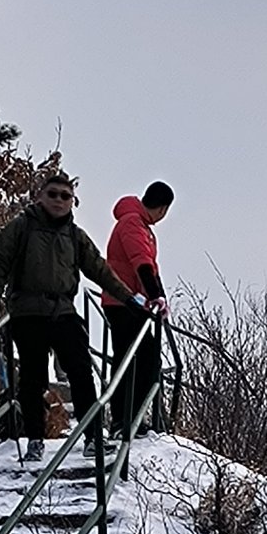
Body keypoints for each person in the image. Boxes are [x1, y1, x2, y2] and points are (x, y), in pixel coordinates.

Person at [0, 168, 137, 457]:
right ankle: (35, 440)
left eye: (66, 196)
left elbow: (100, 270)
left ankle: (92, 437)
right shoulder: (21, 227)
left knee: (80, 371)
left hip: (63, 309)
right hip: (28, 311)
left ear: (72, 201)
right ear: (40, 196)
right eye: (52, 194)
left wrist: (128, 299)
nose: (59, 200)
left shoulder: (75, 236)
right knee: (32, 377)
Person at [104, 180, 172, 435]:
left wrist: (158, 296)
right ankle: (123, 420)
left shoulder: (137, 224)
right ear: (162, 208)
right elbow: (141, 262)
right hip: (125, 302)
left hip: (131, 302)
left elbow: (148, 266)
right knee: (135, 359)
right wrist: (156, 296)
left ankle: (129, 418)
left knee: (141, 357)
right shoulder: (133, 223)